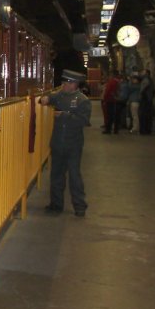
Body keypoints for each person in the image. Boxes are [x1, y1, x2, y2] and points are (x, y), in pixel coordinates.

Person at [40, 69, 92, 217]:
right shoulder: (60, 96)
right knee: (56, 175)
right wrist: (45, 99)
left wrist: (64, 116)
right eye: (63, 82)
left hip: (73, 144)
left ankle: (80, 206)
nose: (63, 85)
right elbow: (49, 98)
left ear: (74, 84)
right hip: (57, 142)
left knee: (74, 176)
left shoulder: (83, 100)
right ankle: (56, 205)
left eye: (66, 82)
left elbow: (84, 121)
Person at [138, 69, 154, 135]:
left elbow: (143, 90)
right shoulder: (149, 80)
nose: (141, 73)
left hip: (145, 99)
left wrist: (141, 95)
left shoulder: (146, 80)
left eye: (143, 72)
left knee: (143, 115)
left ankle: (144, 130)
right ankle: (146, 129)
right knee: (146, 115)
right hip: (148, 99)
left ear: (146, 73)